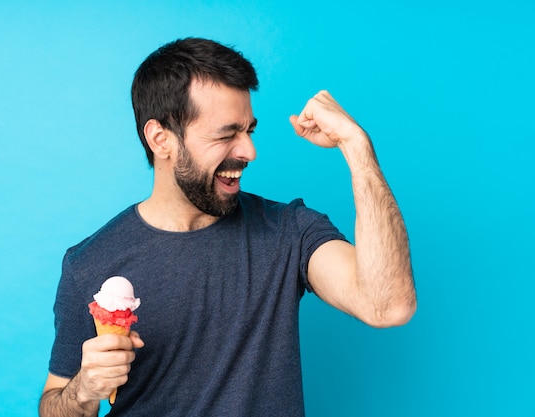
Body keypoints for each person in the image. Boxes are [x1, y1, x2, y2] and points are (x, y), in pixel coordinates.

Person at [39, 37, 416, 417]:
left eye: (249, 131)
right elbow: (54, 404)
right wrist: (84, 390)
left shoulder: (289, 232)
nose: (249, 152)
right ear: (161, 139)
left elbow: (389, 306)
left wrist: (357, 147)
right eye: (226, 134)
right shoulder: (88, 263)